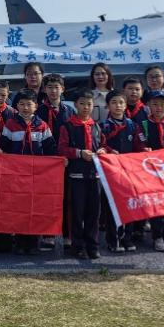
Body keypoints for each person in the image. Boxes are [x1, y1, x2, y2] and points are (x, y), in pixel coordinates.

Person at [0, 88, 57, 254]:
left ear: (35, 106)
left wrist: (58, 162)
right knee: (18, 208)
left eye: (28, 104)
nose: (25, 108)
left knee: (33, 208)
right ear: (17, 106)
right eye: (21, 104)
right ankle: (20, 243)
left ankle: (33, 244)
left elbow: (50, 149)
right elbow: (4, 144)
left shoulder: (42, 126)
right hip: (16, 176)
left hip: (36, 176)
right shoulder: (11, 125)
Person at [58, 90, 106, 259]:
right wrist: (79, 153)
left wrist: (103, 150)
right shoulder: (67, 126)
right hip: (76, 176)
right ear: (75, 105)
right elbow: (62, 149)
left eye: (89, 104)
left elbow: (103, 144)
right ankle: (77, 246)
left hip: (95, 176)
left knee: (94, 213)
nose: (86, 107)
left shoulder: (96, 126)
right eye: (82, 104)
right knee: (76, 213)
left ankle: (93, 245)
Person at [134, 89, 164, 252]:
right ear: (148, 105)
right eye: (155, 104)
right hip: (151, 171)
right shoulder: (143, 125)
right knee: (156, 204)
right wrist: (143, 149)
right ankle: (157, 237)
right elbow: (139, 144)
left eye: (162, 104)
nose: (159, 107)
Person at [100, 90, 138, 252]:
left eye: (121, 102)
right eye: (114, 102)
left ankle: (127, 238)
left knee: (130, 204)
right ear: (108, 106)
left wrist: (145, 150)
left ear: (125, 105)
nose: (118, 106)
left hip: (129, 171)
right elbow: (100, 145)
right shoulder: (103, 126)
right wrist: (108, 151)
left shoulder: (132, 125)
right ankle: (113, 239)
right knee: (112, 205)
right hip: (111, 172)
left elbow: (138, 145)